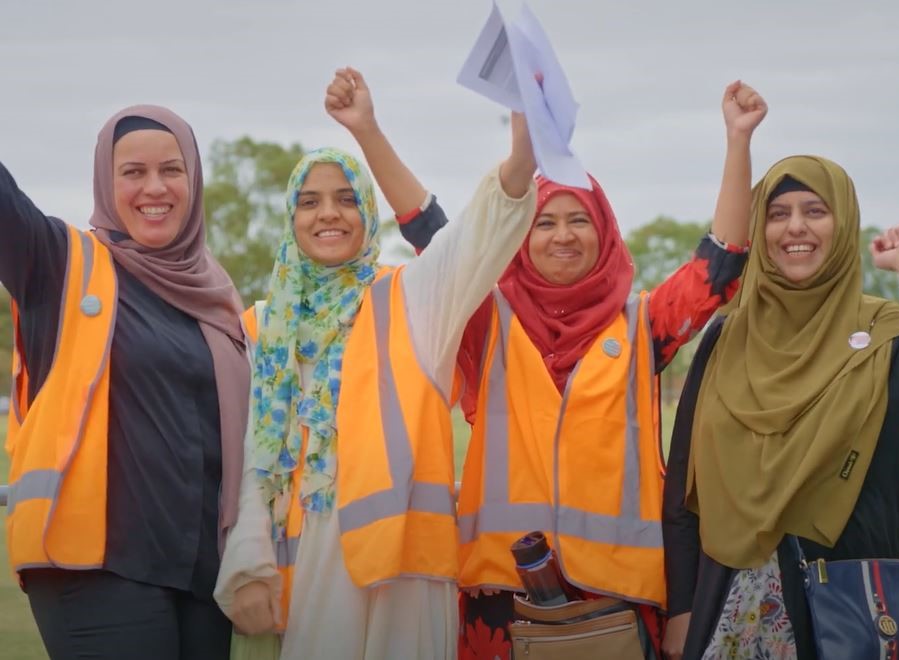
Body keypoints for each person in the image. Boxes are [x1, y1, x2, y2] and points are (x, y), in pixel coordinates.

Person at [213, 68, 539, 659]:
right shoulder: (262, 326)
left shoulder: (413, 299)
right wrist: (248, 558)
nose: (328, 214)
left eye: (346, 199)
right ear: (292, 219)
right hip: (299, 566)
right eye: (309, 202)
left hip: (403, 569)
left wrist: (523, 145)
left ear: (368, 213)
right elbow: (249, 464)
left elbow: (479, 234)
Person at [454, 81, 767, 660]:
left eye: (580, 220)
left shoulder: (643, 323)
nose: (564, 235)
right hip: (500, 594)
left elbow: (720, 263)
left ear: (605, 233)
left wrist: (737, 140)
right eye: (545, 222)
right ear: (521, 238)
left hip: (615, 597)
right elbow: (436, 248)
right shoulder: (485, 319)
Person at [661, 155, 899, 659]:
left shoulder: (886, 338)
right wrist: (681, 610)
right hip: (734, 610)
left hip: (853, 602)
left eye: (815, 211)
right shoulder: (728, 335)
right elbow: (686, 485)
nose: (795, 226)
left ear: (843, 224)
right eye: (777, 213)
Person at [2, 107, 249, 659]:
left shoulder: (221, 303)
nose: (154, 187)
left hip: (204, 578)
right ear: (105, 183)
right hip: (93, 569)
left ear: (194, 181)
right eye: (133, 172)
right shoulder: (59, 264)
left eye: (171, 170)